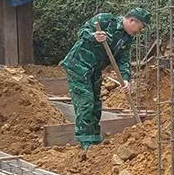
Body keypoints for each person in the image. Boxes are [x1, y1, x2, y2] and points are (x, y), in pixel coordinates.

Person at [60, 8, 150, 149]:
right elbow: (82, 32)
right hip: (78, 66)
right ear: (132, 20)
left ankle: (95, 141)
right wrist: (94, 35)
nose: (139, 32)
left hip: (95, 70)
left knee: (96, 105)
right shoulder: (105, 20)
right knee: (86, 103)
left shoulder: (127, 38)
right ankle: (86, 144)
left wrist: (125, 79)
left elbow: (123, 60)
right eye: (140, 28)